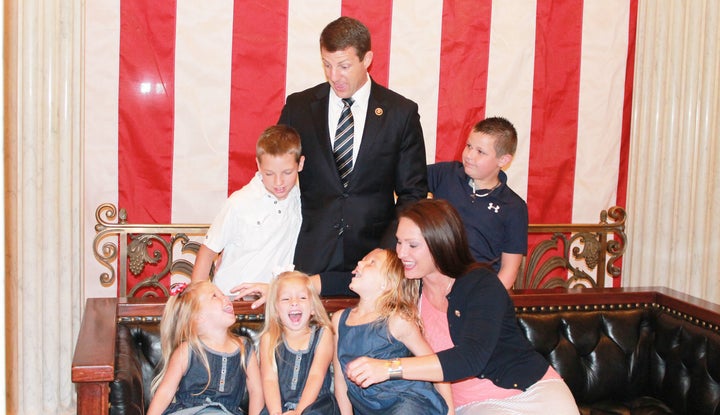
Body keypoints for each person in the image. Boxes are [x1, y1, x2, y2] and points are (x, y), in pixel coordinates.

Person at [344, 199, 578, 415]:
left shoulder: (481, 284)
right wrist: (312, 284)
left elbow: (469, 358)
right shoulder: (409, 288)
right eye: (399, 242)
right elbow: (361, 273)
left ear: (440, 243)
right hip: (470, 406)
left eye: (412, 245)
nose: (401, 253)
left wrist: (389, 368)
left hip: (533, 393)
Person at [275, 16, 428, 296]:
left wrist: (386, 251)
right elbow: (272, 172)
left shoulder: (400, 113)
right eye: (327, 64)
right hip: (308, 251)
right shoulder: (299, 107)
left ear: (367, 59)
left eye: (344, 66)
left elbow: (412, 194)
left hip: (372, 257)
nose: (334, 76)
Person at [332, 248, 453, 415]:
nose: (359, 263)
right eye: (362, 259)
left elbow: (437, 367)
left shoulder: (397, 320)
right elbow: (340, 378)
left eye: (371, 263)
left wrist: (450, 411)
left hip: (407, 403)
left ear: (387, 283)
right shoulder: (339, 320)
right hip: (368, 408)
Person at [191, 125, 304, 295]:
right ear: (258, 165)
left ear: (300, 164)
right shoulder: (239, 203)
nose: (279, 182)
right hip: (230, 299)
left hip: (273, 301)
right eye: (269, 174)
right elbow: (207, 253)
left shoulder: (300, 198)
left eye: (287, 172)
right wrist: (197, 302)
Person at [427, 117, 528, 289]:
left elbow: (509, 269)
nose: (469, 156)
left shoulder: (513, 207)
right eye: (469, 146)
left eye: (480, 152)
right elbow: (406, 180)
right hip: (431, 284)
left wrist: (487, 302)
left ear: (503, 160)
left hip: (477, 289)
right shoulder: (445, 174)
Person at [147, 280, 264, 415]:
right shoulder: (188, 350)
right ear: (198, 317)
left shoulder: (245, 348)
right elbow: (165, 393)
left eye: (222, 294)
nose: (225, 298)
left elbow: (257, 391)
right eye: (215, 296)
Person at [258, 272, 340, 415]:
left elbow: (316, 375)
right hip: (278, 406)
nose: (294, 302)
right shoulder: (269, 338)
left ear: (313, 308)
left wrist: (299, 412)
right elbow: (269, 379)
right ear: (276, 310)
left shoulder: (322, 334)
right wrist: (276, 412)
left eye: (302, 297)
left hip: (315, 406)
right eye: (285, 298)